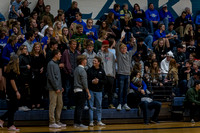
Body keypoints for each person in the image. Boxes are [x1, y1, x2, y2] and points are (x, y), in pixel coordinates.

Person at [116, 35, 137, 111]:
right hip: (121, 74)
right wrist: (121, 39)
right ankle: (119, 104)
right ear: (120, 49)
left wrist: (134, 41)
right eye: (122, 48)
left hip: (128, 74)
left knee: (126, 90)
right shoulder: (119, 55)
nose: (124, 49)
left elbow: (135, 49)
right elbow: (117, 46)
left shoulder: (129, 54)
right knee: (121, 90)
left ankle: (125, 103)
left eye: (125, 48)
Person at [0, 54, 21, 131]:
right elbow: (12, 81)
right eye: (18, 59)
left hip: (8, 90)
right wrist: (16, 91)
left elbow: (4, 79)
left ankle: (10, 125)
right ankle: (2, 119)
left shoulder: (8, 68)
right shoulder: (12, 70)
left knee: (11, 108)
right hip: (12, 91)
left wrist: (5, 89)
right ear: (15, 60)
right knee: (13, 107)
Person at [47, 49, 66, 128]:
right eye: (59, 54)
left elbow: (58, 78)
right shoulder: (50, 64)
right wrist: (56, 87)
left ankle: (57, 121)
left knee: (60, 104)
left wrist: (60, 87)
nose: (60, 55)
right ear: (55, 55)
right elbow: (51, 77)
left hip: (58, 88)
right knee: (53, 105)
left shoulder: (56, 64)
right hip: (53, 89)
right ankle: (52, 122)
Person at [87, 56, 106, 126]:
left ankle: (99, 121)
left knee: (99, 106)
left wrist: (99, 81)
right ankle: (91, 121)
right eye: (93, 61)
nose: (93, 62)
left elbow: (105, 80)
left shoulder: (102, 70)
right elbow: (86, 80)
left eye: (95, 61)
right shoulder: (89, 70)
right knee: (91, 107)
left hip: (99, 91)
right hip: (91, 90)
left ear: (98, 62)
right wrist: (92, 81)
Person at [97, 40, 116, 109]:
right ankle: (99, 105)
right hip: (102, 75)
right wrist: (101, 51)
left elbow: (114, 65)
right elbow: (99, 60)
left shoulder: (111, 54)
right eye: (104, 46)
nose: (105, 48)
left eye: (107, 46)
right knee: (101, 91)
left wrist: (114, 74)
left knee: (110, 91)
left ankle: (110, 104)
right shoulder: (100, 53)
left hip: (110, 75)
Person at [73, 55, 91, 128]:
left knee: (77, 107)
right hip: (81, 90)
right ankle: (79, 123)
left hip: (75, 90)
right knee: (80, 107)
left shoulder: (76, 69)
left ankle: (75, 123)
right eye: (85, 60)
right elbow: (84, 83)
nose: (86, 61)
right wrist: (88, 92)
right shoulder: (82, 70)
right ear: (82, 61)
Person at [30, 42, 46, 109]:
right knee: (33, 89)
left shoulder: (42, 55)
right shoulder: (31, 55)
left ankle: (38, 103)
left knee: (39, 89)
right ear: (34, 48)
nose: (37, 48)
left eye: (38, 47)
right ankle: (33, 103)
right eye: (36, 47)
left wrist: (43, 67)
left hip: (40, 74)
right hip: (33, 74)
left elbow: (44, 63)